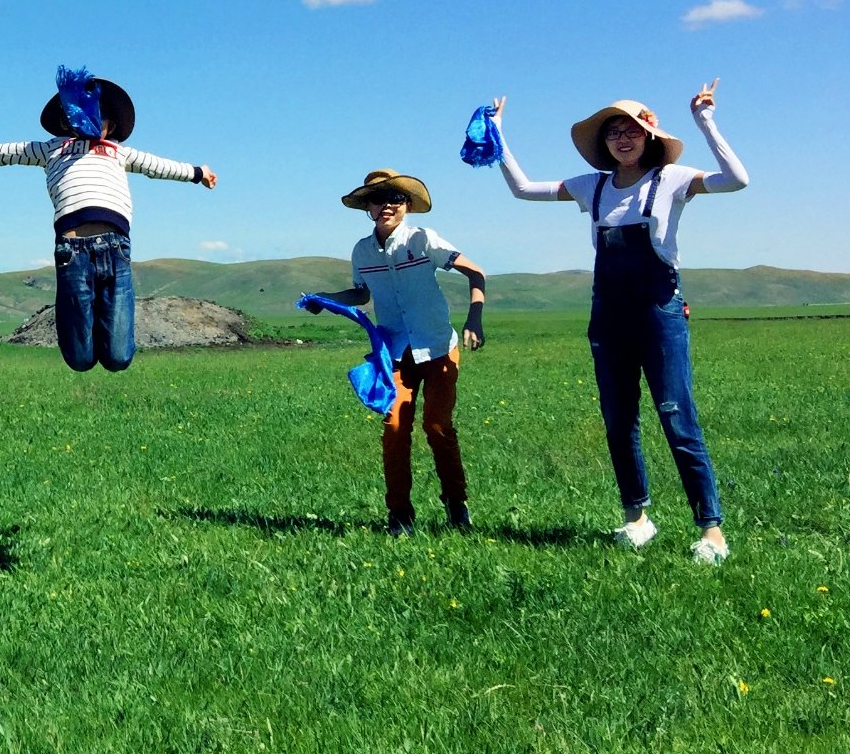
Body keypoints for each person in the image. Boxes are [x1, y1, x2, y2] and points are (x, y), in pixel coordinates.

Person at [493, 81, 747, 563]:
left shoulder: (672, 179)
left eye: (632, 129)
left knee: (677, 417)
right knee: (618, 420)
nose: (622, 138)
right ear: (604, 143)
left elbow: (736, 179)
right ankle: (637, 519)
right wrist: (497, 136)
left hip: (659, 312)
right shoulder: (594, 186)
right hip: (608, 315)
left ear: (650, 135)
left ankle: (711, 531)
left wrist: (705, 122)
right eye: (613, 132)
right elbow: (524, 189)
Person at [0, 66, 216, 372]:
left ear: (113, 124)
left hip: (116, 250)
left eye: (102, 115)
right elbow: (4, 152)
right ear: (69, 117)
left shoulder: (117, 152)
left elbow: (158, 165)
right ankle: (84, 325)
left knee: (119, 358)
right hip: (72, 252)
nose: (95, 121)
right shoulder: (51, 149)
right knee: (80, 360)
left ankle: (103, 324)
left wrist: (197, 173)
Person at [309, 170, 486, 535]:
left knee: (437, 427)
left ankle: (457, 504)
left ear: (407, 205)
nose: (387, 204)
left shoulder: (423, 240)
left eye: (396, 198)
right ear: (367, 207)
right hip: (396, 352)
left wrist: (475, 318)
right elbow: (361, 293)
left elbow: (476, 273)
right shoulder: (361, 250)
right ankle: (400, 515)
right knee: (394, 428)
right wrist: (326, 301)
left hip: (438, 347)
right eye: (378, 198)